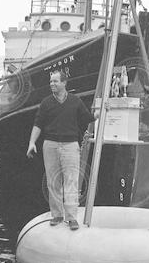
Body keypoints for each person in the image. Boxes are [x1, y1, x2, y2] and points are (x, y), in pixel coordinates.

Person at [26, 70, 98, 230]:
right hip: (50, 145)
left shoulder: (75, 101)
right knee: (53, 182)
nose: (52, 84)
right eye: (51, 82)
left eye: (55, 81)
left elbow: (87, 118)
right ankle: (57, 215)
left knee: (71, 181)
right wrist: (32, 143)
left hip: (70, 146)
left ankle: (71, 217)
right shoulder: (46, 103)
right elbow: (38, 124)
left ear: (64, 83)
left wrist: (98, 114)